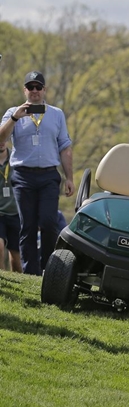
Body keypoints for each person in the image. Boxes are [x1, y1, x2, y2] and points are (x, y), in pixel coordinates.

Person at [0, 71, 74, 275]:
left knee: (49, 222)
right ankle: (31, 273)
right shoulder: (13, 113)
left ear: (44, 90)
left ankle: (47, 269)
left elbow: (65, 147)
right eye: (30, 87)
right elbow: (1, 138)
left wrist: (69, 178)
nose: (34, 91)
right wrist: (15, 117)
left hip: (49, 175)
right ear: (24, 90)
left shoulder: (56, 114)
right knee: (28, 226)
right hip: (23, 176)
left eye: (38, 87)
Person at [0, 141, 22, 272]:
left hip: (16, 213)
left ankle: (19, 284)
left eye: (3, 138)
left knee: (17, 258)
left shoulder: (17, 157)